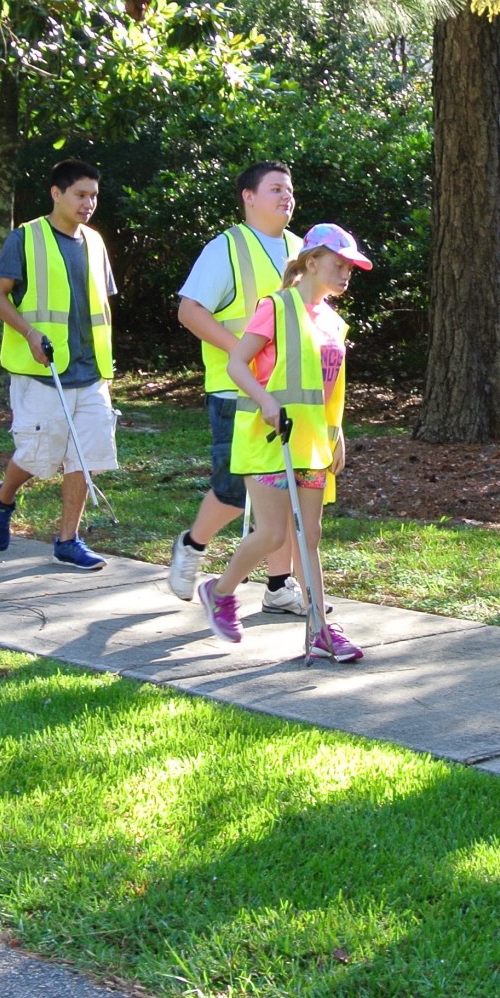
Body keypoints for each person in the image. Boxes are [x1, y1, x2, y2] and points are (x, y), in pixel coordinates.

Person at [196, 224, 366, 661]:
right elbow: (236, 364)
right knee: (273, 534)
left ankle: (320, 630)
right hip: (269, 438)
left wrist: (337, 431)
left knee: (309, 535)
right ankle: (220, 592)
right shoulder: (275, 306)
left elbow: (330, 386)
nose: (346, 273)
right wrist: (265, 399)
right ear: (312, 262)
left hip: (310, 443)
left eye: (351, 267)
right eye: (339, 264)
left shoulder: (333, 321)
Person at [166, 161, 304, 612]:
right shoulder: (225, 248)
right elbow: (190, 311)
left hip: (290, 395)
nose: (286, 197)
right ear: (248, 196)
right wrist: (241, 354)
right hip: (235, 391)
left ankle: (279, 586)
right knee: (234, 489)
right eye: (275, 189)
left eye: (289, 190)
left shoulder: (301, 250)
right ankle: (193, 544)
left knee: (286, 486)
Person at [0, 160, 117, 570]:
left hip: (91, 372)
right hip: (43, 373)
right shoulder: (26, 238)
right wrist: (29, 333)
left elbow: (102, 304)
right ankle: (3, 497)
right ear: (56, 194)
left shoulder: (95, 242)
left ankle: (67, 540)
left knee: (85, 456)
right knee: (39, 455)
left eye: (93, 195)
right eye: (80, 194)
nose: (88, 203)